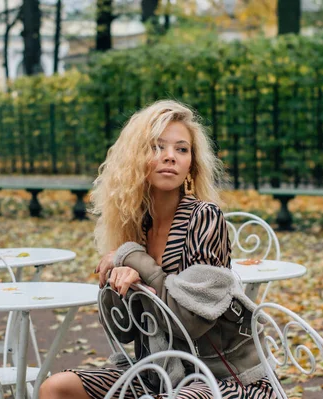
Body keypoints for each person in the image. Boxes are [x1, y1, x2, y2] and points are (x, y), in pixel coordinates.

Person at [39, 100, 275, 399]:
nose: (170, 157)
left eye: (181, 149)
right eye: (157, 147)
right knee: (57, 388)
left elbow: (191, 322)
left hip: (223, 377)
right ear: (136, 159)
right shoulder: (135, 225)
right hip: (158, 373)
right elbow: (122, 330)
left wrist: (133, 260)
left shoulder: (203, 217)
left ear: (191, 164)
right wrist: (122, 280)